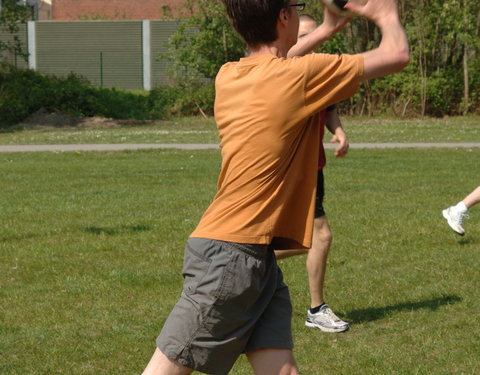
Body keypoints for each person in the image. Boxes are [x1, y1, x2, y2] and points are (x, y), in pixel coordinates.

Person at [142, 0, 409, 374]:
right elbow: (395, 54)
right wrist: (385, 13)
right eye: (296, 7)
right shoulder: (299, 76)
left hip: (250, 257)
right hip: (230, 259)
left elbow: (277, 63)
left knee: (282, 370)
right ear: (284, 17)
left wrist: (325, 30)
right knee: (166, 369)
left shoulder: (229, 74)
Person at [274, 13, 351, 333]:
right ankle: (316, 309)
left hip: (312, 168)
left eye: (316, 36)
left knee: (312, 238)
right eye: (303, 36)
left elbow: (329, 110)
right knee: (319, 236)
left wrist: (339, 131)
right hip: (286, 170)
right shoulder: (280, 72)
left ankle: (242, 259)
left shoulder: (321, 75)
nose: (311, 42)